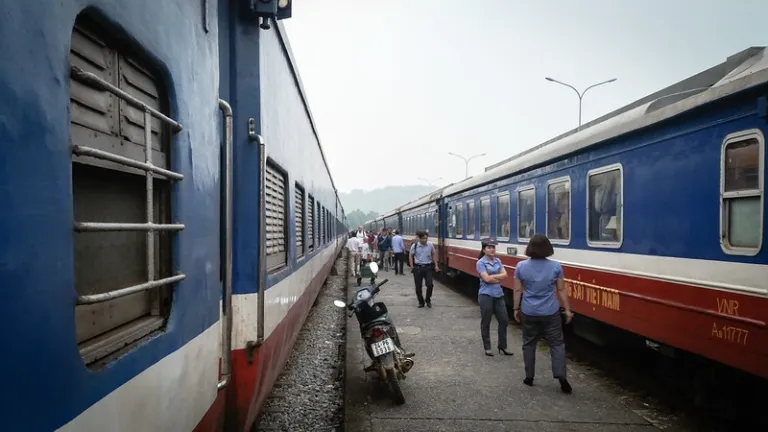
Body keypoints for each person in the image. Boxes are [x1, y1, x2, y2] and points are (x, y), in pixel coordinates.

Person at [512, 233, 573, 394]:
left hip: (529, 310)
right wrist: (567, 310)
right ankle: (561, 378)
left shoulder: (521, 266)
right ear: (548, 248)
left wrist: (516, 309)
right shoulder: (556, 266)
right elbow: (561, 289)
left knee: (529, 343)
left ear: (529, 248)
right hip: (550, 311)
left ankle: (529, 377)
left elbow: (518, 290)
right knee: (557, 344)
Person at [476, 238, 512, 357]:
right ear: (484, 249)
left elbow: (505, 275)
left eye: (493, 247)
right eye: (489, 247)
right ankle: (487, 347)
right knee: (486, 321)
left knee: (504, 320)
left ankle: (502, 346)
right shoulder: (480, 263)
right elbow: (486, 279)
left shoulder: (498, 261)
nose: (492, 249)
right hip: (486, 295)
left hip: (498, 294)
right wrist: (498, 277)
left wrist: (492, 277)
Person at [408, 230, 439, 308]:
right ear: (419, 238)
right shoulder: (414, 246)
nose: (425, 240)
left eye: (426, 238)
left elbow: (434, 254)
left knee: (430, 285)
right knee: (418, 287)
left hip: (428, 267)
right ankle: (421, 302)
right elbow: (411, 256)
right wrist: (412, 266)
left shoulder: (430, 245)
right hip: (418, 268)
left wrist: (436, 265)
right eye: (423, 238)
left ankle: (428, 299)